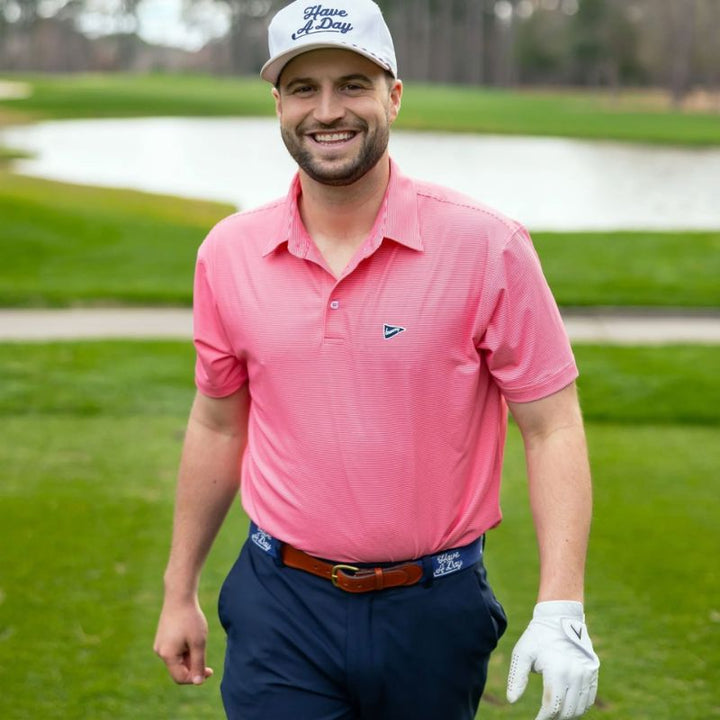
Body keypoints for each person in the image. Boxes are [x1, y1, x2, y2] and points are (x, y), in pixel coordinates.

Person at [153, 1, 600, 718]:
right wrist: (180, 591)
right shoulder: (227, 253)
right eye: (304, 88)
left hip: (435, 608)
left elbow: (551, 426)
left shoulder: (489, 245)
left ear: (393, 95)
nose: (328, 110)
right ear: (278, 104)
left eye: (353, 85)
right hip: (280, 605)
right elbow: (216, 424)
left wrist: (561, 604)